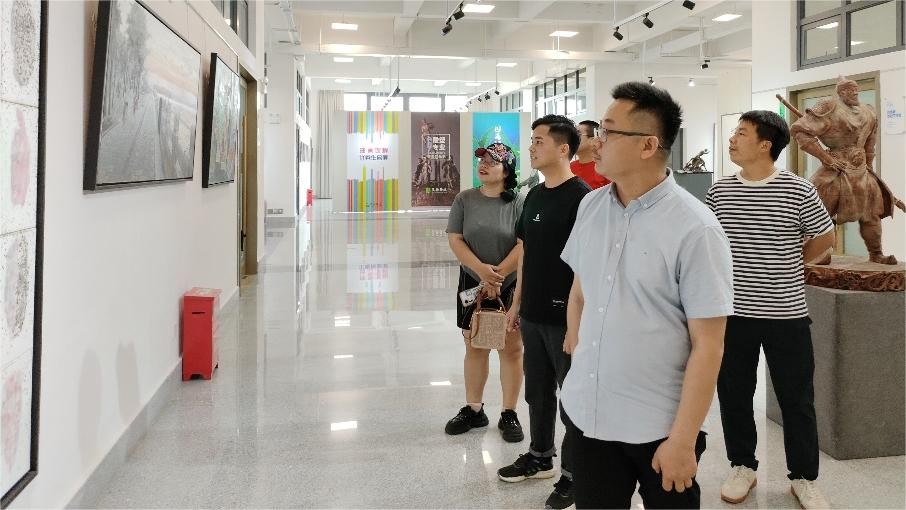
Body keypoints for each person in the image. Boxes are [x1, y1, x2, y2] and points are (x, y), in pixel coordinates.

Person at [560, 82, 734, 509]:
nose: (594, 143)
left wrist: (683, 440)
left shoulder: (696, 228)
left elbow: (709, 345)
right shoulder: (591, 206)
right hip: (589, 417)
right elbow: (582, 288)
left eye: (607, 131)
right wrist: (577, 351)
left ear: (648, 145)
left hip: (659, 427)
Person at [707, 110, 835, 509]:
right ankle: (742, 466)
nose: (732, 139)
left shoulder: (798, 190)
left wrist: (793, 263)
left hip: (786, 314)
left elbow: (824, 236)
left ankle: (803, 477)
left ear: (765, 144)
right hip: (733, 314)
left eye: (741, 133)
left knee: (797, 400)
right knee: (734, 395)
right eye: (734, 132)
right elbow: (707, 244)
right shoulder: (719, 192)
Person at [497, 115, 589, 510]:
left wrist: (575, 324)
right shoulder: (534, 194)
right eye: (532, 140)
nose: (531, 147)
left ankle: (575, 473)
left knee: (572, 398)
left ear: (564, 149)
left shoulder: (582, 197)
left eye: (539, 141)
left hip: (565, 319)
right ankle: (540, 456)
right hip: (533, 313)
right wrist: (517, 303)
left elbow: (585, 266)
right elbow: (526, 252)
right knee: (537, 391)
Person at [445, 142, 525, 444]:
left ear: (506, 170)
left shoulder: (520, 203)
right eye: (483, 160)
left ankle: (509, 412)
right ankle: (474, 408)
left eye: (493, 161)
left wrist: (497, 274)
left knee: (511, 348)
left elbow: (524, 244)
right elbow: (456, 239)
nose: (484, 165)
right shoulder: (464, 199)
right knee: (475, 346)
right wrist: (481, 271)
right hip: (472, 282)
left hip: (511, 283)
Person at [570, 120, 610, 189]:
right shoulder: (569, 168)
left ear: (592, 140)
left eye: (577, 135)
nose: (572, 140)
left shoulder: (605, 168)